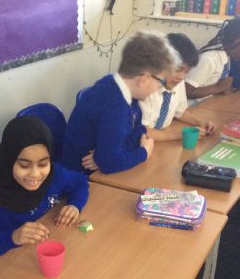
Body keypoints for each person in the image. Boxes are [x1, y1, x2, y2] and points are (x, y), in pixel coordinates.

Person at [0, 116, 89, 268]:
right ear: (8, 160)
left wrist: (74, 205)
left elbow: (80, 182)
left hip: (43, 253)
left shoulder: (54, 175)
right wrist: (12, 237)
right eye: (24, 166)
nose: (35, 174)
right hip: (10, 268)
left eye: (43, 164)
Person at [61, 31, 181, 174]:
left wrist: (111, 154)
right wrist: (144, 152)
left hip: (100, 170)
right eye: (161, 82)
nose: (159, 88)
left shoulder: (124, 90)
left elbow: (138, 131)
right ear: (144, 80)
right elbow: (110, 164)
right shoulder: (114, 105)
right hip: (81, 176)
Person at [140, 33, 216, 142]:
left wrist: (200, 122)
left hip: (159, 139)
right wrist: (176, 135)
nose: (181, 77)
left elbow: (178, 111)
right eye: (178, 69)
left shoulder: (176, 82)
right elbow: (142, 132)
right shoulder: (143, 88)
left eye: (186, 71)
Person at [185, 16, 240, 102]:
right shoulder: (209, 59)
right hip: (192, 107)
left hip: (208, 103)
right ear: (238, 41)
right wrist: (217, 88)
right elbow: (186, 91)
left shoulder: (226, 56)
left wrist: (222, 88)